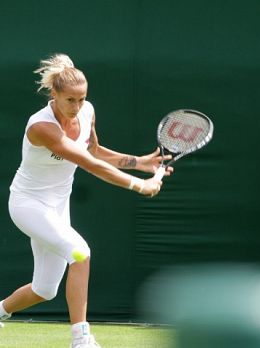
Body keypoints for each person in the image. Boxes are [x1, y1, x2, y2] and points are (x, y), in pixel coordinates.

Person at [0, 54, 172, 348]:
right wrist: (140, 185)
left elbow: (93, 150)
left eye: (82, 99)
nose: (77, 107)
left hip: (57, 206)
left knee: (45, 289)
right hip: (27, 204)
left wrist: (137, 162)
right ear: (53, 94)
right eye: (70, 100)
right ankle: (81, 340)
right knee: (80, 253)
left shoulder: (86, 111)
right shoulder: (41, 127)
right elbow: (89, 164)